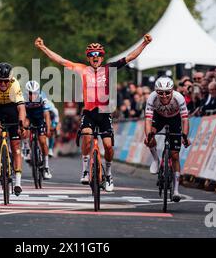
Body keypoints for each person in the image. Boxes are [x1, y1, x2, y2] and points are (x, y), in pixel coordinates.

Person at [34, 34, 152, 192]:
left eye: (98, 55)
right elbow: (61, 60)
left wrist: (144, 43)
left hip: (104, 113)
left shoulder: (109, 69)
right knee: (87, 137)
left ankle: (109, 174)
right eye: (91, 55)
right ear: (88, 58)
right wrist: (43, 47)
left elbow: (129, 57)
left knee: (109, 147)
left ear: (102, 57)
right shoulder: (82, 69)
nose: (95, 57)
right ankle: (84, 169)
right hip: (89, 112)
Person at [143, 77, 191, 202]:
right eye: (160, 92)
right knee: (149, 137)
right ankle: (155, 160)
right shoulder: (152, 98)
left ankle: (176, 190)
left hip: (175, 119)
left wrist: (185, 136)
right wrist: (148, 135)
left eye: (167, 92)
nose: (164, 96)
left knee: (175, 155)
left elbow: (185, 119)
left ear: (172, 91)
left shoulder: (179, 98)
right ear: (156, 91)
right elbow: (148, 119)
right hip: (158, 117)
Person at [0, 62, 27, 196]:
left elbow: (21, 108)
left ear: (10, 79)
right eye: (0, 81)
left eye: (5, 81)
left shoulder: (15, 85)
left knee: (15, 146)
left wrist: (22, 124)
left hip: (11, 108)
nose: (2, 84)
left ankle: (18, 182)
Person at [22, 80, 53, 180]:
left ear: (38, 92)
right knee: (25, 125)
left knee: (43, 141)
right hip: (28, 116)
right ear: (27, 93)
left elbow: (46, 114)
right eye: (30, 93)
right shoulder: (23, 98)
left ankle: (46, 167)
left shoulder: (42, 97)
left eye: (34, 93)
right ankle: (26, 147)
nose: (32, 95)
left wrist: (48, 128)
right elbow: (21, 113)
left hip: (39, 117)